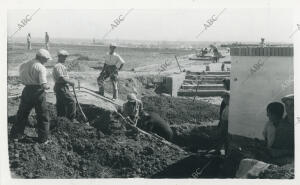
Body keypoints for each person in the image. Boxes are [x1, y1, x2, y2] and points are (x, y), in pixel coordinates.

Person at [9, 49, 52, 143]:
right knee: (42, 115)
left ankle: (16, 135)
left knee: (22, 113)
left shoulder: (24, 64)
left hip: (26, 90)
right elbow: (43, 84)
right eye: (46, 59)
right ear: (41, 57)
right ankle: (43, 139)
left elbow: (21, 77)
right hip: (38, 91)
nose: (47, 61)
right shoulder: (41, 67)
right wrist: (48, 87)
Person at [52, 50, 78, 123]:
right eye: (63, 57)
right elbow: (61, 78)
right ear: (59, 57)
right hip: (61, 87)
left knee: (61, 104)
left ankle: (61, 120)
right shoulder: (59, 66)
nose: (65, 58)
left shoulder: (60, 66)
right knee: (72, 101)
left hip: (60, 86)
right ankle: (71, 120)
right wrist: (70, 82)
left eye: (66, 57)